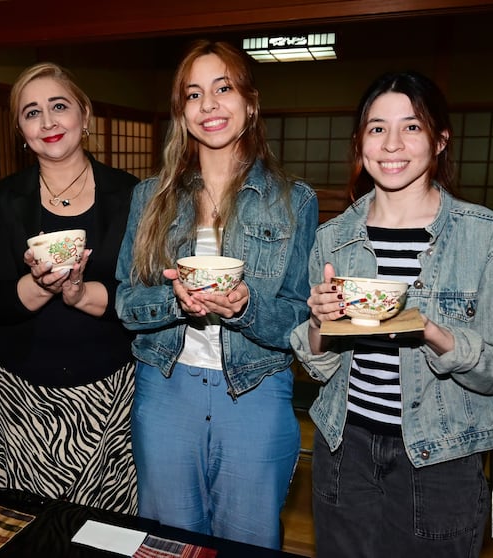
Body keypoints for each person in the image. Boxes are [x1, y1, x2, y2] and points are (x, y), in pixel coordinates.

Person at [290, 71, 493, 557]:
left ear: (440, 140)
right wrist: (318, 325)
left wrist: (437, 335)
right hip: (345, 449)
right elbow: (319, 366)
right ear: (360, 143)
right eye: (377, 128)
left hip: (442, 460)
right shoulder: (333, 237)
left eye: (412, 127)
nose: (392, 144)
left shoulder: (485, 238)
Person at [115, 40, 318, 549]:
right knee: (169, 540)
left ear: (250, 103)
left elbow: (299, 316)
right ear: (181, 113)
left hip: (254, 388)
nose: (208, 105)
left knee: (247, 540)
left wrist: (246, 306)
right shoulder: (150, 197)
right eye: (193, 94)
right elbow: (125, 302)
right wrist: (174, 302)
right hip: (165, 387)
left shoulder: (295, 200)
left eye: (223, 89)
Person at [0, 62, 139, 514]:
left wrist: (79, 293)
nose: (48, 122)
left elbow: (143, 293)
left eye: (59, 106)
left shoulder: (132, 194)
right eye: (31, 113)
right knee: (24, 523)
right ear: (20, 129)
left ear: (84, 114)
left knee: (104, 528)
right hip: (20, 394)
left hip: (110, 391)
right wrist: (35, 285)